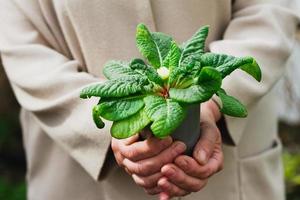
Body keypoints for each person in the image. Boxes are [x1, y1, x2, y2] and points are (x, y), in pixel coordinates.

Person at [0, 0, 298, 200]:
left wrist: (207, 101)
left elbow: (270, 8)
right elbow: (19, 38)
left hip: (229, 170)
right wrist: (111, 121)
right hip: (78, 173)